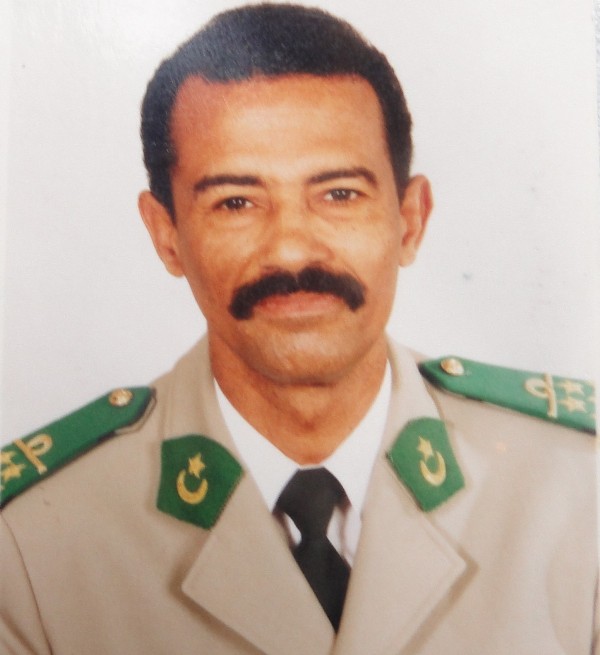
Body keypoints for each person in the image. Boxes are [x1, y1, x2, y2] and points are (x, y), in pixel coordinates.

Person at [0, 4, 597, 654]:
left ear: (410, 219)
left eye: (339, 194)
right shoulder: (28, 546)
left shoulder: (576, 488)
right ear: (166, 235)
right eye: (236, 202)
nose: (290, 250)